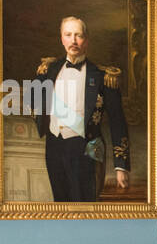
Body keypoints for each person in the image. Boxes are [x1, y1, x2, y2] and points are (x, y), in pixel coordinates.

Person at [33, 16, 130, 202]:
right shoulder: (49, 69)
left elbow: (118, 122)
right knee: (60, 206)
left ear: (86, 40)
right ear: (61, 38)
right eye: (68, 35)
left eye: (78, 35)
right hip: (54, 146)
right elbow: (35, 100)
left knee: (85, 206)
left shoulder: (103, 77)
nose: (73, 40)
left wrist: (121, 166)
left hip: (87, 149)